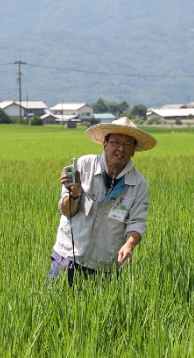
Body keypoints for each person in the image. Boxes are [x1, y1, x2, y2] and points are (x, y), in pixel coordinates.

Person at [48, 116, 156, 285]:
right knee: (54, 307)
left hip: (104, 265)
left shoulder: (138, 184)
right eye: (116, 142)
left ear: (134, 150)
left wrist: (129, 245)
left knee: (98, 311)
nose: (121, 148)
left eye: (128, 144)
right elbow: (67, 211)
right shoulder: (84, 166)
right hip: (67, 255)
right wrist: (74, 193)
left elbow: (137, 222)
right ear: (105, 143)